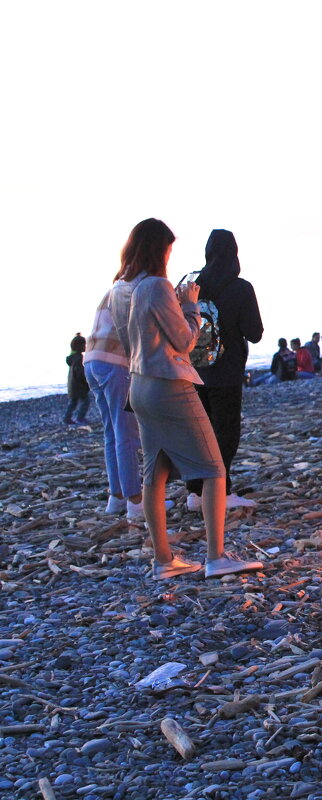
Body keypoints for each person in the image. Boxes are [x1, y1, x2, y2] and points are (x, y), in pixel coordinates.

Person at [108, 218, 262, 580]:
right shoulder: (157, 286)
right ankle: (216, 556)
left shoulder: (120, 288)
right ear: (158, 249)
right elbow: (184, 342)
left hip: (139, 385)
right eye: (168, 249)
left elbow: (130, 341)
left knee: (155, 473)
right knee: (213, 469)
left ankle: (163, 560)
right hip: (169, 384)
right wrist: (190, 306)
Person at [184, 230, 264, 514]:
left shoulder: (192, 285)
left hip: (194, 371)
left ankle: (195, 491)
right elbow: (254, 333)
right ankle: (221, 491)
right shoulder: (241, 288)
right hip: (226, 371)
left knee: (198, 432)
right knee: (225, 432)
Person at [84, 283, 143, 516]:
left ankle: (116, 497)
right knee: (126, 431)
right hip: (113, 361)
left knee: (112, 431)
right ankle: (136, 502)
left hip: (92, 359)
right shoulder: (137, 287)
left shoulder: (115, 288)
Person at [64, 333, 90, 424]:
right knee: (85, 401)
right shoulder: (79, 358)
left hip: (73, 385)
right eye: (84, 345)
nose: (85, 347)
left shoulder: (72, 358)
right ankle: (80, 418)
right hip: (79, 386)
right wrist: (87, 381)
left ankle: (67, 418)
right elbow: (80, 373)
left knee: (73, 403)